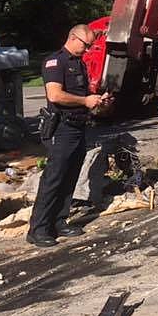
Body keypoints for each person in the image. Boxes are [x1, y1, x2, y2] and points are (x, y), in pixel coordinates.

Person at [26, 24, 109, 248]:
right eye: (86, 45)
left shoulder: (78, 64)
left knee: (70, 175)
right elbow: (55, 94)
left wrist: (96, 100)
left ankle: (60, 221)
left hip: (78, 126)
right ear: (73, 38)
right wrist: (84, 101)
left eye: (90, 46)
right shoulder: (56, 62)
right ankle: (38, 229)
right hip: (62, 129)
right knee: (54, 178)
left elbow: (81, 94)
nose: (88, 49)